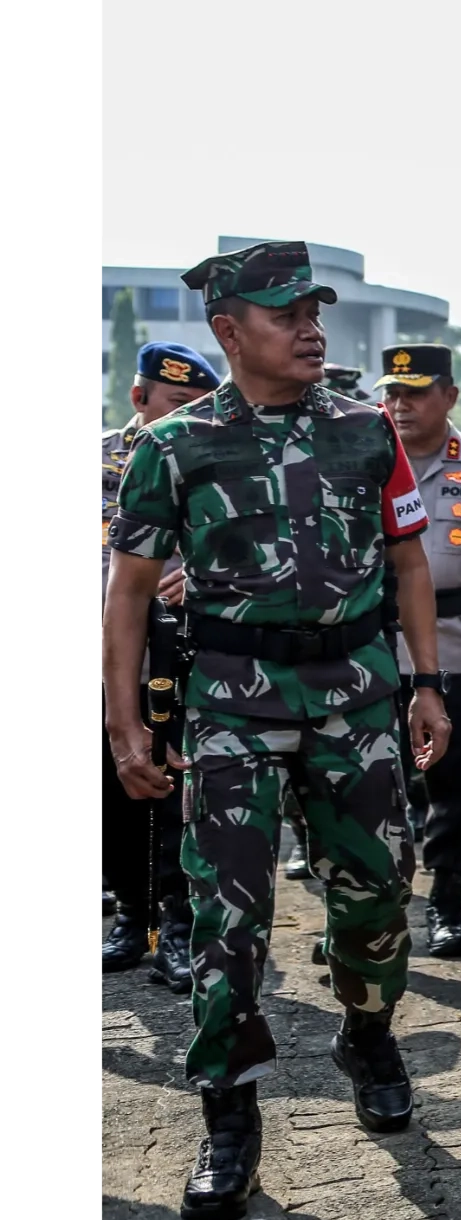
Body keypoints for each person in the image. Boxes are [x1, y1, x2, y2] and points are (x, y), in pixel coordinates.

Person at [103, 240, 449, 1220]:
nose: (311, 328)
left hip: (357, 696)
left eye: (316, 310)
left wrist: (427, 682)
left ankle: (368, 1030)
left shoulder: (366, 431)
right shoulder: (174, 448)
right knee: (225, 917)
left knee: (378, 892)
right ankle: (227, 1109)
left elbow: (409, 562)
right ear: (229, 331)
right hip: (230, 705)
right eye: (286, 313)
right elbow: (127, 596)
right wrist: (124, 722)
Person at [375, 344, 461, 959]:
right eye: (392, 393)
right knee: (377, 788)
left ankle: (448, 906)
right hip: (379, 649)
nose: (400, 405)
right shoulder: (366, 461)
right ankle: (375, 914)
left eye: (416, 393)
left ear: (450, 397)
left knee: (458, 784)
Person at [95, 341, 218, 990]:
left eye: (199, 406)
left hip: (181, 657)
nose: (187, 417)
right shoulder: (100, 458)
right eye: (176, 404)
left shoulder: (217, 462)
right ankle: (130, 916)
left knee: (174, 796)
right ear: (140, 399)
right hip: (107, 661)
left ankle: (176, 926)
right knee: (110, 797)